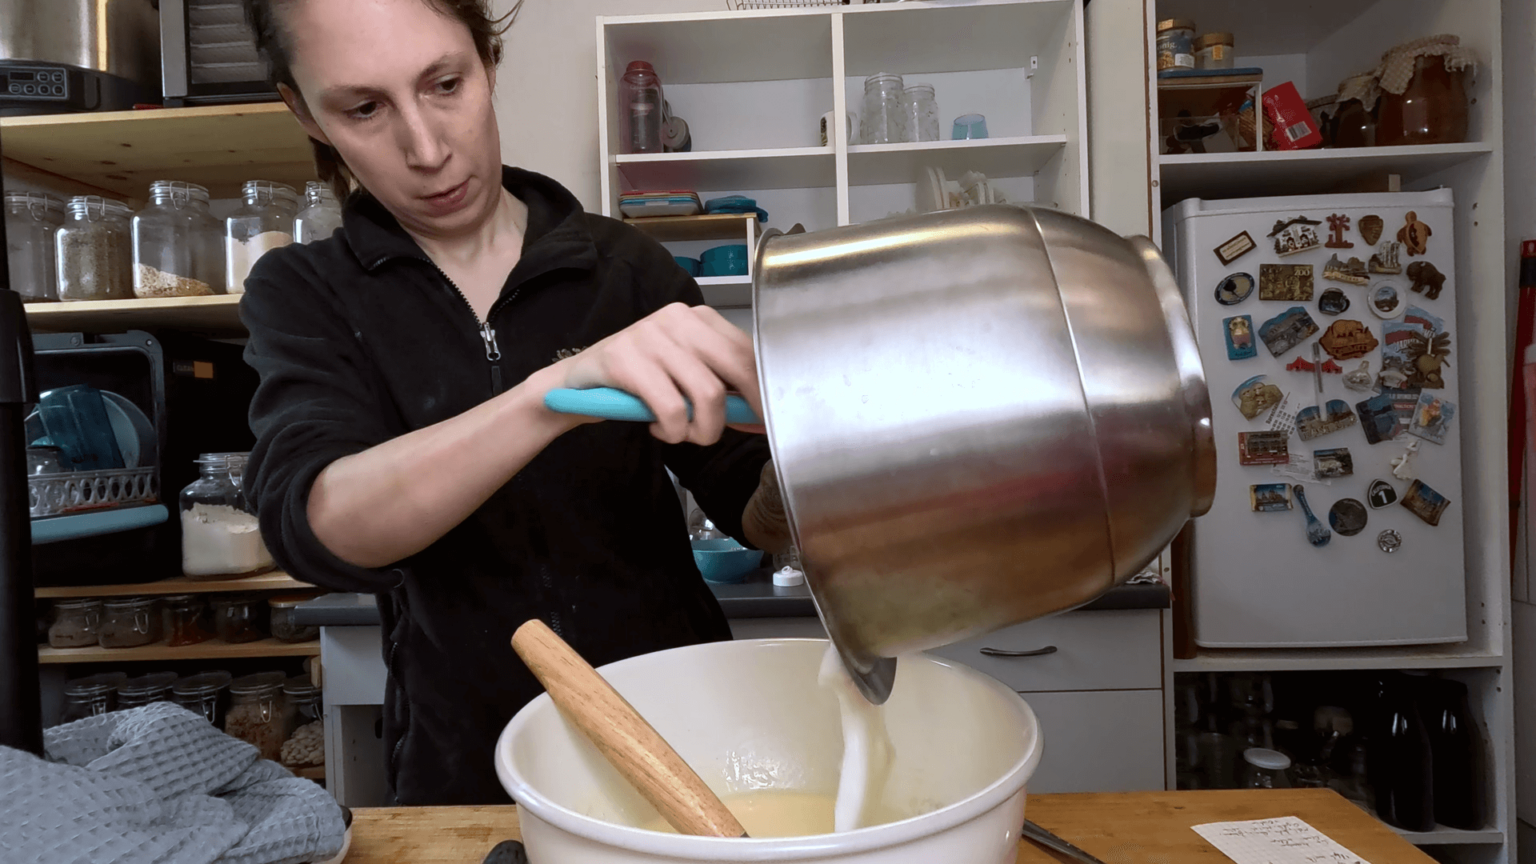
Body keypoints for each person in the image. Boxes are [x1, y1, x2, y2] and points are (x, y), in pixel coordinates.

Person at [238, 0, 791, 805]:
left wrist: (819, 446)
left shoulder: (624, 269)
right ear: (304, 112)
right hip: (465, 764)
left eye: (446, 84)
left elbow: (750, 503)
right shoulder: (304, 292)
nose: (427, 150)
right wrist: (554, 395)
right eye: (364, 108)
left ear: (488, 60)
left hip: (678, 738)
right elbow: (321, 526)